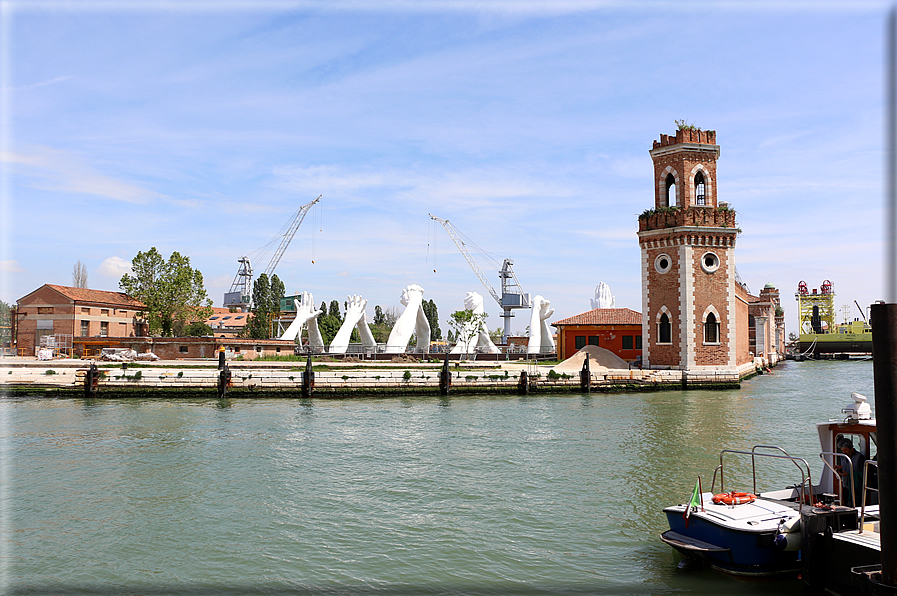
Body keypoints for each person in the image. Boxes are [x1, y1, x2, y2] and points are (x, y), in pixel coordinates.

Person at [835, 438, 868, 506]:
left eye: (846, 450)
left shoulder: (860, 458)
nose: (844, 452)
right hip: (845, 486)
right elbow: (843, 469)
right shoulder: (842, 457)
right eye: (843, 450)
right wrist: (838, 470)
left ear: (851, 448)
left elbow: (864, 474)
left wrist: (849, 475)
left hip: (857, 488)